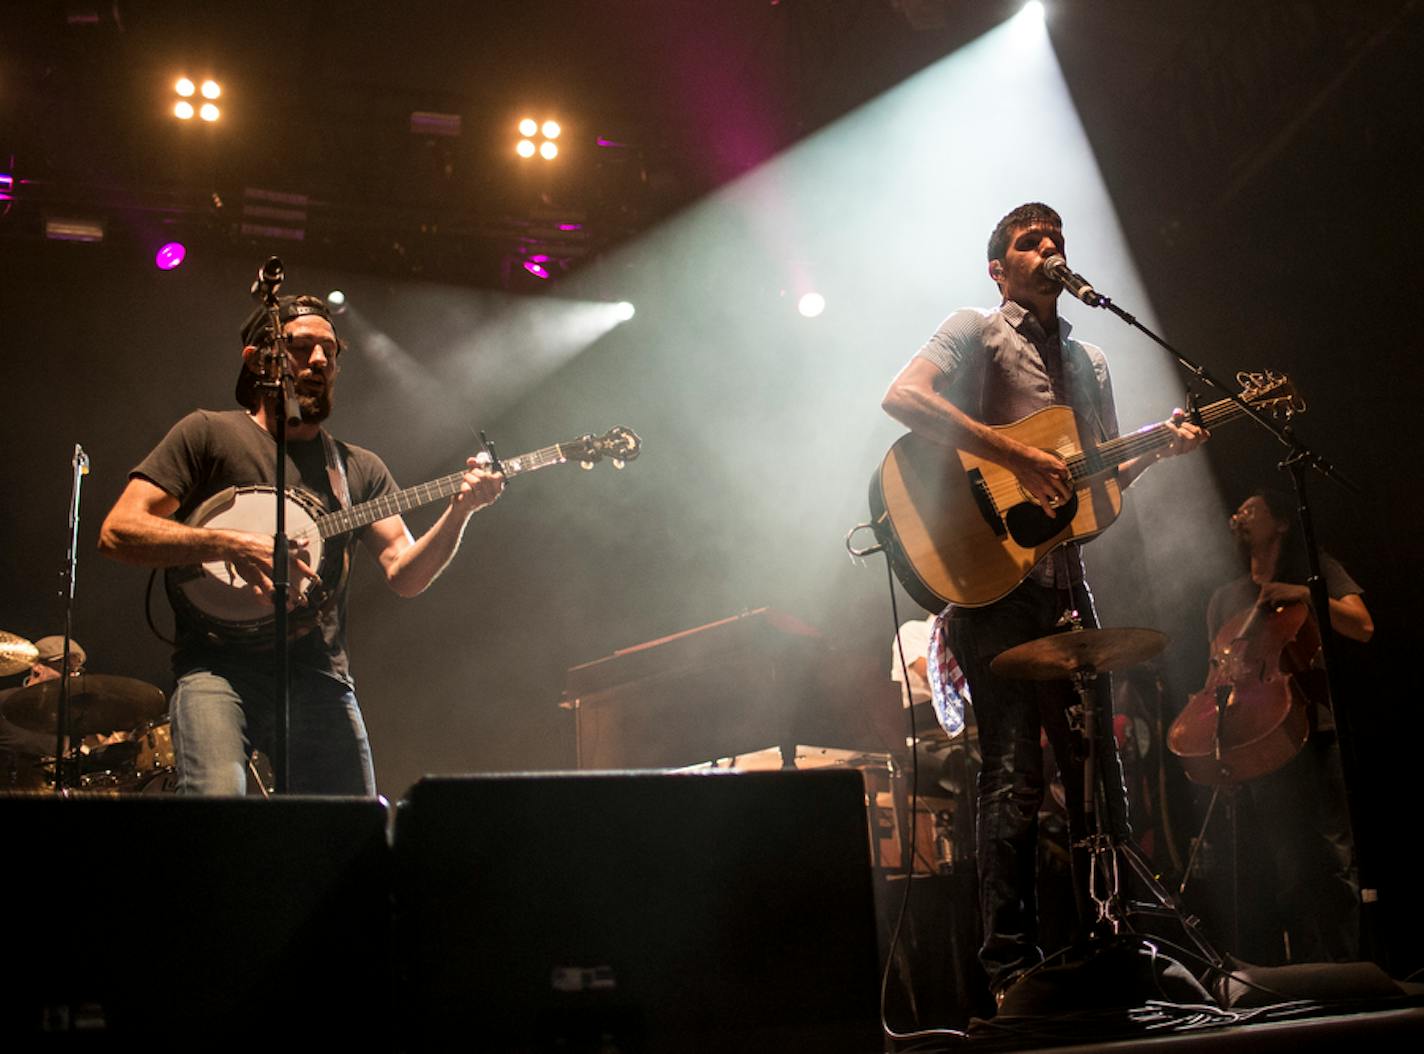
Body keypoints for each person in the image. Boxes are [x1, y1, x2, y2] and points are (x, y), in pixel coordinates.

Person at [881, 202, 1207, 1003]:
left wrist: (1158, 450)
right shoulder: (974, 331)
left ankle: (1115, 943)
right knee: (1013, 779)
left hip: (1064, 582)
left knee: (1102, 776)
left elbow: (1091, 483)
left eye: (1055, 237)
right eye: (1029, 241)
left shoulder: (1090, 361)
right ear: (999, 269)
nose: (1049, 247)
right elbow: (902, 396)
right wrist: (1010, 454)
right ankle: (1007, 973)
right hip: (993, 588)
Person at [98, 295, 504, 796]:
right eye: (301, 347)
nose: (318, 362)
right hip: (217, 672)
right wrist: (230, 543)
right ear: (257, 359)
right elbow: (118, 530)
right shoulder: (207, 433)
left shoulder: (357, 467)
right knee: (214, 811)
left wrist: (460, 511)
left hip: (319, 675)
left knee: (348, 836)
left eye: (329, 352)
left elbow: (405, 574)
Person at [1204, 490, 1371, 963]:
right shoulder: (1224, 597)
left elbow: (1362, 625)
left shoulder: (1312, 569)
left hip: (1313, 727)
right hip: (1260, 743)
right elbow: (1215, 678)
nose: (1238, 514)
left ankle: (1348, 971)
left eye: (1251, 508)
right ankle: (1308, 974)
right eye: (1236, 509)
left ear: (1279, 524)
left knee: (1332, 858)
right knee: (1288, 867)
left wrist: (1305, 594)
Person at [0, 636, 88, 785]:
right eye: (65, 667)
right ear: (37, 667)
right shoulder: (4, 702)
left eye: (75, 670)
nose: (72, 676)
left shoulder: (68, 714)